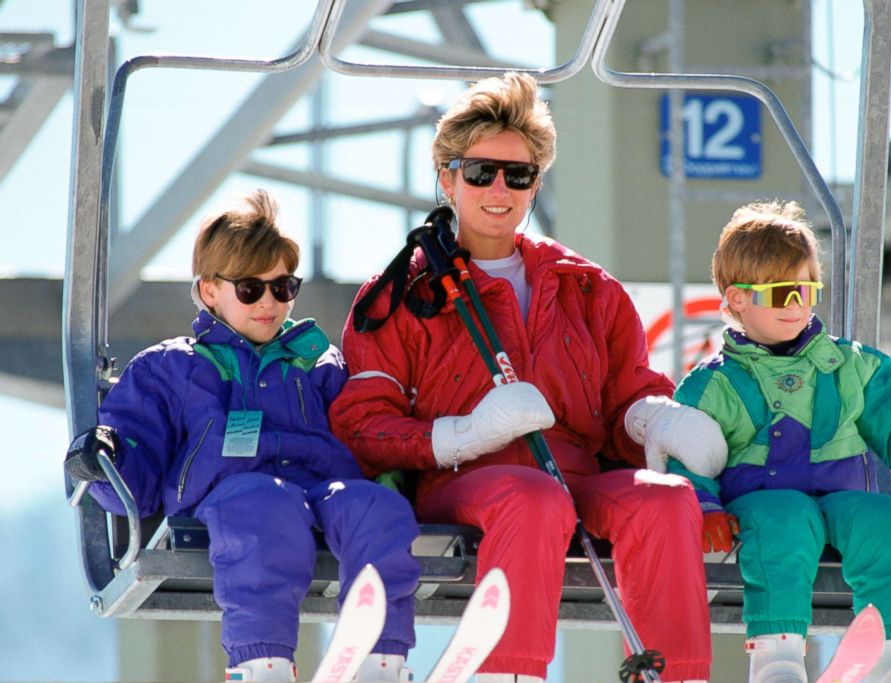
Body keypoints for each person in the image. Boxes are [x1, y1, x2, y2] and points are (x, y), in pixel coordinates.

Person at [329, 72, 723, 683]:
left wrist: (656, 418)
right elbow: (363, 423)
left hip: (576, 476)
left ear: (536, 183)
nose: (498, 189)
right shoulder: (403, 294)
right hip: (463, 477)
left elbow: (626, 395)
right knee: (530, 497)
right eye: (479, 171)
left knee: (667, 501)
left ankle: (678, 675)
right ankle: (506, 673)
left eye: (518, 175)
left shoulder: (587, 289)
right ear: (447, 178)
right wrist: (464, 434)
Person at [63, 190, 421, 683]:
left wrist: (405, 468)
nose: (270, 303)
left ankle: (381, 658)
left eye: (284, 287)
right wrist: (107, 457)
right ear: (210, 291)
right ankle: (262, 662)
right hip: (230, 501)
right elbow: (138, 469)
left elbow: (363, 434)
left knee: (376, 509)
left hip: (319, 495)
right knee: (263, 505)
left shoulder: (318, 364)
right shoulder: (173, 368)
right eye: (251, 289)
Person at [668, 200, 891, 683]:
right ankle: (777, 659)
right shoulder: (715, 386)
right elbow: (685, 453)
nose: (796, 305)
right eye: (780, 294)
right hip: (762, 507)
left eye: (806, 290)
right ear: (737, 298)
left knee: (886, 521)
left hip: (846, 499)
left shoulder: (852, 369)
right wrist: (704, 506)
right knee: (784, 521)